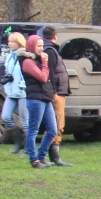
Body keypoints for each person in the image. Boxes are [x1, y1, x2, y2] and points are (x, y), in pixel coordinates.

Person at [20, 33, 59, 168]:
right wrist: (45, 63)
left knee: (53, 130)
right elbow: (43, 77)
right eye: (38, 46)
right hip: (36, 99)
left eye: (42, 46)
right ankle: (34, 160)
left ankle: (42, 156)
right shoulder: (28, 62)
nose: (41, 49)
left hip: (45, 97)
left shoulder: (38, 60)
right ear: (31, 46)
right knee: (33, 130)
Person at [41, 25, 72, 166]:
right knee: (58, 124)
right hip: (57, 92)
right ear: (55, 36)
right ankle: (52, 157)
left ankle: (50, 156)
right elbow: (51, 73)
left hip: (58, 90)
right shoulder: (50, 50)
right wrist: (53, 92)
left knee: (56, 123)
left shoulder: (48, 49)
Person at [0, 31, 29, 153]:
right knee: (5, 116)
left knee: (25, 121)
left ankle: (28, 148)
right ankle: (18, 142)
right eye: (9, 42)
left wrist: (23, 85)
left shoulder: (25, 56)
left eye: (12, 42)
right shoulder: (9, 56)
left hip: (23, 92)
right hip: (11, 91)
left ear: (19, 42)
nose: (9, 44)